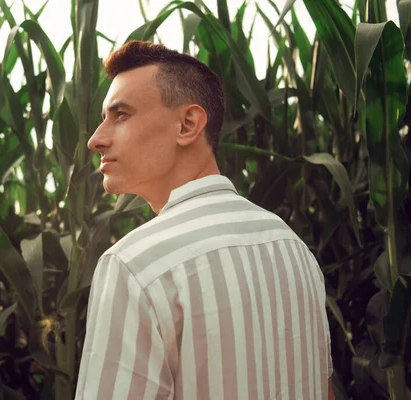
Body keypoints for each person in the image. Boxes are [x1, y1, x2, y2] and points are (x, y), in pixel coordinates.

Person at [74, 40, 334, 400]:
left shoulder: (136, 266)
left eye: (121, 115)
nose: (95, 140)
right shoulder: (292, 247)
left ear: (188, 124)